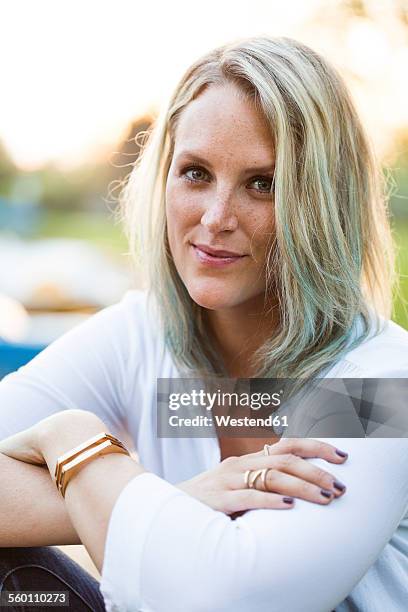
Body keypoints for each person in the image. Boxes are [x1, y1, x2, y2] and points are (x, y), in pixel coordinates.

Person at [0, 35, 407, 612]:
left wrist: (73, 442)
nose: (216, 219)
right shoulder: (142, 332)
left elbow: (227, 597)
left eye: (263, 184)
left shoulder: (380, 384)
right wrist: (175, 498)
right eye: (195, 173)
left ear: (322, 202)